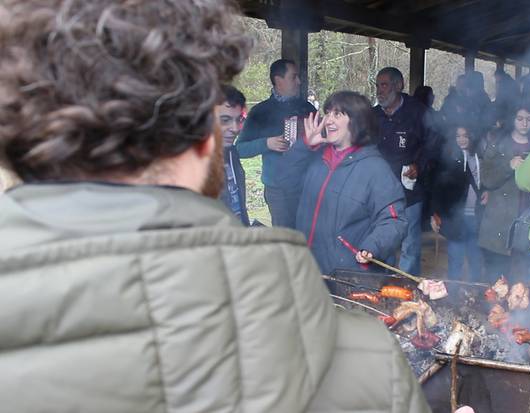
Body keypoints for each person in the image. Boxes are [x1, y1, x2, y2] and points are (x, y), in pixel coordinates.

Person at [0, 1, 431, 412]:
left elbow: (389, 216)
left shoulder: (373, 168)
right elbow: (290, 180)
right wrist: (303, 148)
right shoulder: (373, 369)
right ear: (208, 136)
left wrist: (369, 245)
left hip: (345, 271)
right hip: (317, 273)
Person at [296, 91, 407, 275]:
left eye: (337, 114)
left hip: (346, 276)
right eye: (328, 113)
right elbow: (281, 180)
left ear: (356, 121)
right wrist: (305, 145)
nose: (328, 120)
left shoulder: (375, 169)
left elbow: (394, 220)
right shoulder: (316, 158)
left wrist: (373, 246)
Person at [236, 59, 317, 229]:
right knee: (285, 238)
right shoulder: (261, 112)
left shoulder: (307, 108)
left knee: (310, 235)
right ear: (279, 80)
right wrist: (267, 143)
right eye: (294, 77)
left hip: (307, 186)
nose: (299, 82)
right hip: (278, 190)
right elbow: (239, 149)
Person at [374, 67, 434, 275]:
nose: (379, 91)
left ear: (398, 85)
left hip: (410, 192)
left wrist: (419, 164)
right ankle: (386, 285)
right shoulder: (373, 116)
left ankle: (408, 286)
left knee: (410, 245)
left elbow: (433, 144)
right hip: (381, 194)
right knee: (386, 241)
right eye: (377, 86)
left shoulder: (419, 113)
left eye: (384, 85)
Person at [478, 100, 530, 281]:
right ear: (512, 119)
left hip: (527, 220)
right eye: (520, 118)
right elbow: (486, 179)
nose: (524, 123)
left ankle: (517, 310)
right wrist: (508, 165)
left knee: (520, 279)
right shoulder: (498, 144)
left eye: (529, 119)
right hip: (499, 221)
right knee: (494, 278)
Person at [429, 124, 484, 280]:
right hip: (455, 218)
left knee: (475, 258)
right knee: (456, 258)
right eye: (458, 136)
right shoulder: (448, 158)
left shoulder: (479, 157)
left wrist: (486, 192)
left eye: (465, 136)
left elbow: (484, 182)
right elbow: (437, 188)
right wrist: (435, 213)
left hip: (476, 215)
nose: (462, 140)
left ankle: (476, 294)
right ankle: (453, 294)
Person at [217, 85, 250, 225]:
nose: (235, 128)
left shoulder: (231, 153)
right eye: (225, 120)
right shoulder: (190, 166)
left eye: (238, 120)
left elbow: (239, 206)